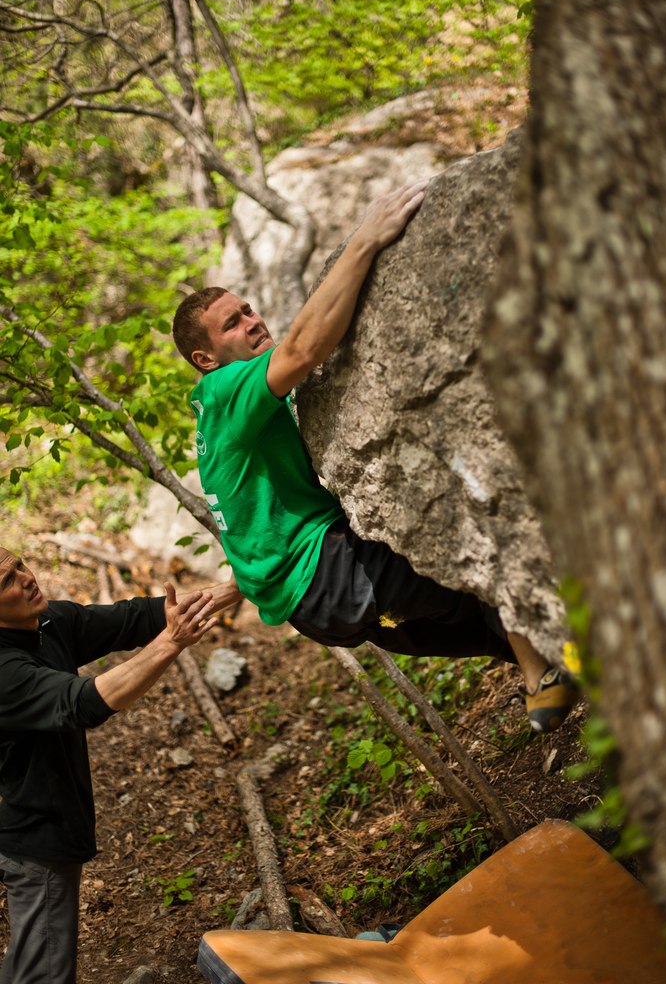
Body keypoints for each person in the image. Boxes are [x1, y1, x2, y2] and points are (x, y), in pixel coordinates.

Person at [172, 182, 578, 735]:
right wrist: (366, 239)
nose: (252, 322)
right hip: (333, 576)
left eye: (247, 309)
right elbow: (302, 350)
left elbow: (257, 527)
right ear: (206, 357)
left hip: (317, 607)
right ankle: (551, 683)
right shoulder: (225, 391)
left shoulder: (215, 422)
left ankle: (571, 682)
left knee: (483, 622)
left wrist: (234, 587)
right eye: (233, 324)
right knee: (483, 564)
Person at [0, 546, 239, 984]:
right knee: (44, 974)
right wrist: (171, 643)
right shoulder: (4, 671)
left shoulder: (48, 621)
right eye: (7, 581)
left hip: (42, 825)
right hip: (32, 840)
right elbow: (85, 701)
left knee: (30, 964)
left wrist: (239, 587)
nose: (26, 577)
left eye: (19, 565)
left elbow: (138, 617)